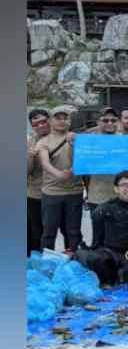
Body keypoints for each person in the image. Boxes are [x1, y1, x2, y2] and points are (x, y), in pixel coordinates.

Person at [75, 171, 128, 286]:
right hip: (111, 254)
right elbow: (97, 241)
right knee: (93, 258)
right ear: (116, 189)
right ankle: (108, 281)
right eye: (124, 185)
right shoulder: (104, 209)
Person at [37, 104, 84, 255]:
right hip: (52, 193)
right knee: (49, 232)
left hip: (74, 192)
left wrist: (73, 145)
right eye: (58, 118)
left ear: (70, 121)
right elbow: (45, 163)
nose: (62, 121)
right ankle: (47, 263)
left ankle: (73, 261)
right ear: (51, 121)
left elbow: (83, 160)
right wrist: (58, 174)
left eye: (66, 118)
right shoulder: (44, 141)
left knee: (73, 232)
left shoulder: (78, 139)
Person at [83, 107, 121, 211]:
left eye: (113, 120)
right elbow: (83, 168)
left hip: (121, 197)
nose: (110, 123)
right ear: (98, 122)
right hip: (97, 196)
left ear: (118, 122)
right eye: (105, 120)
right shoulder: (88, 141)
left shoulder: (127, 141)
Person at [27, 108, 49, 254]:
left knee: (67, 231)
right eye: (35, 124)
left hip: (61, 193)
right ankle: (36, 259)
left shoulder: (64, 137)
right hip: (35, 194)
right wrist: (29, 157)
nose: (40, 126)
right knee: (36, 231)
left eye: (43, 121)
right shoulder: (29, 142)